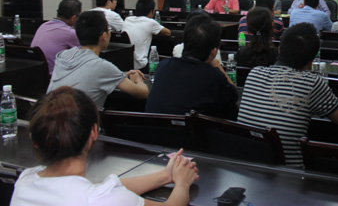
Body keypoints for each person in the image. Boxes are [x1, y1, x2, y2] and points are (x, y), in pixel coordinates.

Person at [10, 86, 198, 206]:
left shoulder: (25, 180)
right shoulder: (100, 199)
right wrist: (182, 182)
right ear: (94, 131)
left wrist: (164, 176)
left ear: (35, 139)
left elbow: (102, 187)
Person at [237, 23, 338, 167]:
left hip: (245, 166)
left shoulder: (254, 73)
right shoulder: (311, 83)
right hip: (289, 174)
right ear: (311, 61)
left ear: (279, 49)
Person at [47, 11, 149, 108]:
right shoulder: (102, 67)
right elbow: (143, 93)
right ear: (104, 36)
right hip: (80, 120)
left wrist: (121, 75)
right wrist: (138, 80)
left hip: (49, 116)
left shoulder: (63, 55)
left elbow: (85, 73)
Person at [145, 16, 238, 118]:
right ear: (214, 51)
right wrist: (217, 65)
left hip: (153, 127)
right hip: (191, 128)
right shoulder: (214, 76)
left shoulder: (163, 65)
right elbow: (234, 96)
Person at [31, 0, 81, 75]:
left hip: (38, 74)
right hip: (55, 76)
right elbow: (84, 54)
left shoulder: (43, 26)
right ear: (74, 18)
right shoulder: (70, 33)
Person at [122, 0, 171, 71]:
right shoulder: (150, 22)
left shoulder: (127, 19)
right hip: (140, 66)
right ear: (151, 12)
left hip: (125, 64)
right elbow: (168, 32)